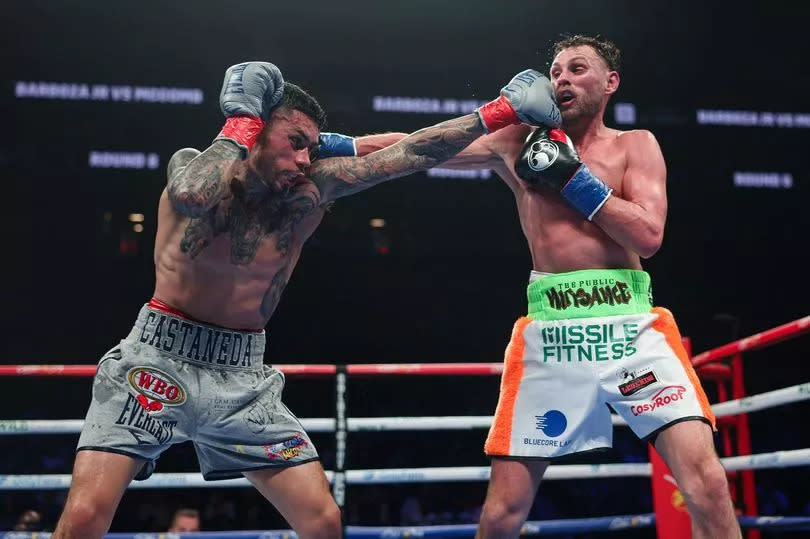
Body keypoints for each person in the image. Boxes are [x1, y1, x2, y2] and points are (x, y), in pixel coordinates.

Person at [52, 61, 560, 539]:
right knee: (84, 518)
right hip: (155, 360)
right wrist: (241, 122)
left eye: (310, 148)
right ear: (257, 130)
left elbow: (404, 157)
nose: (303, 160)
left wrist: (498, 111)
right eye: (294, 142)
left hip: (242, 377)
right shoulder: (196, 166)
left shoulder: (311, 189)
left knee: (322, 520)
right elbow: (192, 195)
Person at [332, 35, 741, 539]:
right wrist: (330, 144)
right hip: (553, 334)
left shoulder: (637, 145)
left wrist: (573, 179)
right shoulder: (518, 141)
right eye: (556, 71)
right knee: (503, 512)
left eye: (577, 68)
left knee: (706, 482)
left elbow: (648, 236)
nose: (562, 79)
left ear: (611, 83)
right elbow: (423, 145)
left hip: (632, 328)